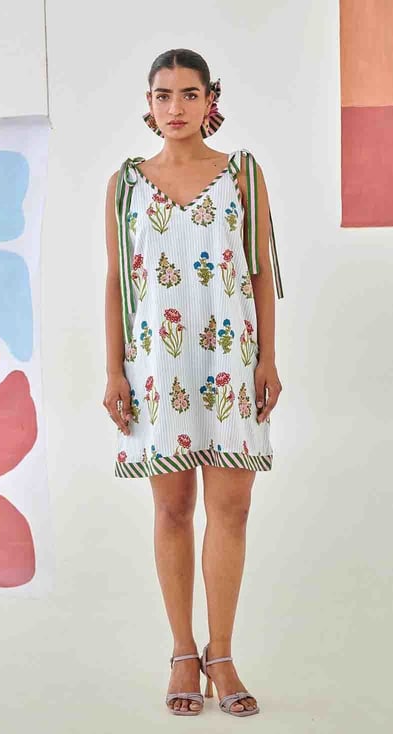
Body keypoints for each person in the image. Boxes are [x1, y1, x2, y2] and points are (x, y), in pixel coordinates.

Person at [102, 48, 284, 717]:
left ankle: (222, 653)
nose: (175, 107)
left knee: (232, 508)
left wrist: (267, 360)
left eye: (188, 94)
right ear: (148, 104)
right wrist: (114, 369)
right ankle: (183, 651)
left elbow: (260, 273)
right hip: (158, 364)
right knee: (172, 508)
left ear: (211, 100)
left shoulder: (243, 175)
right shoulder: (126, 184)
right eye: (162, 95)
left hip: (232, 360)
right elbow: (117, 281)